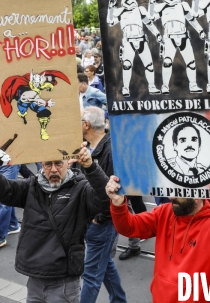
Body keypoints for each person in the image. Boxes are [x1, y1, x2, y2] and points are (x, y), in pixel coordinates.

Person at [0, 142, 110, 303]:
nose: (53, 169)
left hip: (63, 283)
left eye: (58, 163)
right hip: (35, 280)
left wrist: (91, 168)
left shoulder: (81, 189)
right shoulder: (33, 185)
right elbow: (7, 191)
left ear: (68, 162)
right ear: (41, 165)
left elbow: (106, 202)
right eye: (47, 164)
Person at [80, 107, 127, 303]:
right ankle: (118, 299)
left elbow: (116, 189)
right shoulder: (87, 147)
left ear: (86, 124)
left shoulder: (111, 149)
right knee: (104, 263)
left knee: (90, 275)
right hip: (91, 218)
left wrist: (101, 218)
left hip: (101, 222)